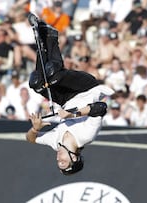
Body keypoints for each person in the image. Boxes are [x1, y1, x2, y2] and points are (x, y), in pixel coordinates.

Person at [26, 17, 113, 175]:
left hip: (65, 98)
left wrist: (34, 129)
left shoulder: (56, 143)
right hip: (86, 88)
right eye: (63, 161)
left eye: (58, 162)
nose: (59, 158)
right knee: (53, 74)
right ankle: (51, 37)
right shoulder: (86, 136)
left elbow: (30, 139)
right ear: (75, 157)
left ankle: (45, 38)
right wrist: (72, 114)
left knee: (37, 83)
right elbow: (100, 108)